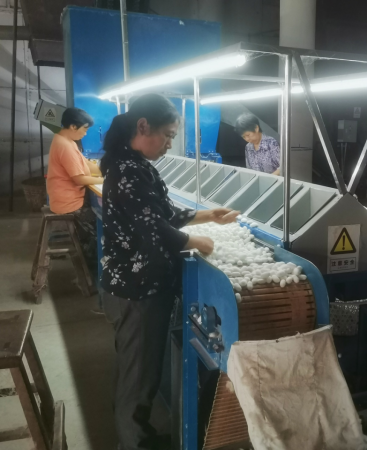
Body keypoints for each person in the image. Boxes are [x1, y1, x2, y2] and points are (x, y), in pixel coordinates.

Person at [100, 93, 239, 450]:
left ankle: (137, 436)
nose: (169, 144)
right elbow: (154, 229)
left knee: (137, 370)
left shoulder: (135, 165)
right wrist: (197, 241)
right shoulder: (128, 171)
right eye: (167, 135)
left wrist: (207, 216)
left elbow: (161, 212)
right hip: (137, 291)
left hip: (137, 286)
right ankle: (133, 443)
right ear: (143, 126)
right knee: (138, 377)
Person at [46, 107, 102, 270]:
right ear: (73, 126)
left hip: (65, 197)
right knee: (101, 228)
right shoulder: (65, 145)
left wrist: (104, 169)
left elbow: (85, 164)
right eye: (84, 129)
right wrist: (105, 180)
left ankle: (88, 257)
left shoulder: (65, 140)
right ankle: (91, 268)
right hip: (68, 203)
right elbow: (78, 179)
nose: (85, 133)